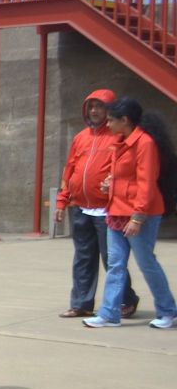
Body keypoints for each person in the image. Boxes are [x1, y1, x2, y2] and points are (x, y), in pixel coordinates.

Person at [84, 98, 176, 330]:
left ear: (125, 120)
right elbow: (125, 176)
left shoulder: (144, 143)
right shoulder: (120, 141)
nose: (108, 124)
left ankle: (168, 311)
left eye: (112, 120)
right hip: (117, 211)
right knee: (115, 264)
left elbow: (146, 183)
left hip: (139, 214)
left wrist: (138, 216)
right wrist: (110, 183)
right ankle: (109, 313)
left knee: (146, 262)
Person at [54, 88, 140, 319]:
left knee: (110, 257)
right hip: (80, 207)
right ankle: (81, 303)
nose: (94, 111)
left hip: (107, 208)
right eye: (91, 106)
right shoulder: (80, 137)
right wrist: (62, 201)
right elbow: (69, 169)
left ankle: (126, 300)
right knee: (83, 256)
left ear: (110, 110)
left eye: (100, 106)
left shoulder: (118, 137)